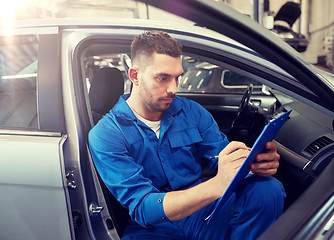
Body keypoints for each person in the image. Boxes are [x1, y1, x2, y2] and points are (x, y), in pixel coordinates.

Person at [89, 30, 286, 240]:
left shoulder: (192, 111)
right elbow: (144, 208)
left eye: (177, 78)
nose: (173, 89)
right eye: (163, 78)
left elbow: (221, 159)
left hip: (202, 210)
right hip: (154, 227)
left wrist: (253, 165)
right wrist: (217, 185)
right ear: (135, 76)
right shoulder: (106, 134)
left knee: (267, 190)